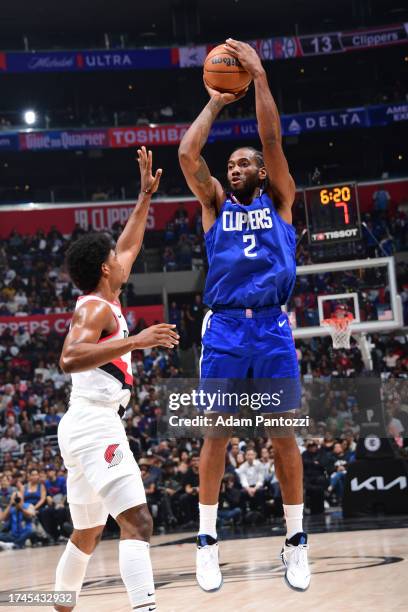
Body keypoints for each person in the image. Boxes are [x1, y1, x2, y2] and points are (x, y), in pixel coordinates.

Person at [178, 39, 310, 592]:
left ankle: (296, 542)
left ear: (262, 170)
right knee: (216, 434)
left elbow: (273, 138)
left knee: (284, 437)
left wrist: (258, 78)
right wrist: (214, 103)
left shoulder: (280, 200)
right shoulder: (213, 205)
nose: (233, 168)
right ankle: (207, 542)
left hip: (273, 326)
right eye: (230, 164)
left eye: (242, 162)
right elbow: (188, 156)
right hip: (227, 327)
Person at [53, 147, 179, 612]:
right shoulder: (94, 307)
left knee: (87, 532)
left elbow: (129, 243)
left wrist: (144, 197)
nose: (122, 257)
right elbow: (68, 357)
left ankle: (61, 606)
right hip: (94, 424)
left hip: (83, 424)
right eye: (114, 257)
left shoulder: (106, 295)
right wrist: (136, 342)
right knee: (139, 522)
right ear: (105, 269)